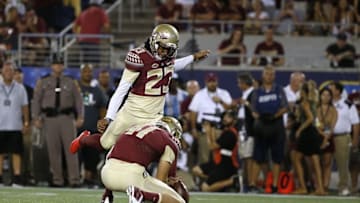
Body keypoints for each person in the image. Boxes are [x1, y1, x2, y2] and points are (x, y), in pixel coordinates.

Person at [70, 24, 210, 153]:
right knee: (105, 143)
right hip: (132, 112)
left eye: (168, 49)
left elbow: (173, 65)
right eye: (161, 47)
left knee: (160, 148)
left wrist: (193, 58)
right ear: (154, 41)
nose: (163, 52)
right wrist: (109, 117)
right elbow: (121, 90)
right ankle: (83, 139)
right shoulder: (139, 57)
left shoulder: (168, 57)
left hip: (154, 117)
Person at [100, 116, 186, 203]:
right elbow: (160, 180)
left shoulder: (135, 128)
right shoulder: (169, 140)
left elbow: (110, 156)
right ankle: (141, 195)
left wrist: (108, 192)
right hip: (131, 177)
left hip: (106, 175)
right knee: (179, 201)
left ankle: (106, 197)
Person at [32, 53, 84, 187]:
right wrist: (35, 117)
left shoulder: (71, 81)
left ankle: (74, 180)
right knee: (53, 150)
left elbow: (78, 100)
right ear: (51, 65)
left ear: (63, 65)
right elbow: (36, 100)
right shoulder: (43, 81)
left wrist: (80, 116)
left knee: (71, 150)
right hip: (49, 119)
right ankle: (57, 179)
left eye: (60, 64)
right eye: (55, 64)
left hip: (67, 118)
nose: (58, 66)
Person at [248, 66, 288, 193]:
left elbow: (285, 106)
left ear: (274, 76)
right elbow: (253, 109)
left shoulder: (279, 90)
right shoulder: (257, 92)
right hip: (261, 125)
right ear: (263, 75)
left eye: (271, 74)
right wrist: (259, 117)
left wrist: (275, 115)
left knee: (277, 157)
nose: (269, 76)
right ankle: (253, 184)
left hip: (276, 125)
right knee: (258, 156)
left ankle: (275, 185)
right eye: (267, 74)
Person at [189, 72, 232, 165]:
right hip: (205, 128)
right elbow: (193, 112)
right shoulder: (199, 94)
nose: (212, 83)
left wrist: (220, 101)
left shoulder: (224, 93)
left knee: (221, 155)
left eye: (214, 81)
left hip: (220, 129)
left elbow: (231, 109)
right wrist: (193, 128)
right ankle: (204, 178)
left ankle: (218, 177)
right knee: (205, 156)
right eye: (210, 81)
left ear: (217, 82)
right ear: (206, 82)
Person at [192, 110, 240, 192]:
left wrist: (208, 132)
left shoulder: (230, 134)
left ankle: (232, 181)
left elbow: (212, 146)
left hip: (227, 164)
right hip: (219, 161)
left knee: (205, 188)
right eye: (225, 116)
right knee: (196, 170)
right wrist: (212, 130)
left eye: (228, 117)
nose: (225, 118)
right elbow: (214, 143)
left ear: (234, 121)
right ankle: (217, 183)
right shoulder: (226, 132)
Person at [292, 81, 326, 195]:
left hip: (306, 133)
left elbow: (310, 118)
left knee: (297, 159)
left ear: (303, 92)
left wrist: (300, 129)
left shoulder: (304, 103)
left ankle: (303, 187)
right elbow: (315, 119)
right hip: (313, 133)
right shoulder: (313, 102)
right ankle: (320, 188)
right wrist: (320, 132)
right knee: (316, 162)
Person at [0, 61, 30, 186]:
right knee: (0, 153)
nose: (8, 73)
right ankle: (0, 178)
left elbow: (25, 107)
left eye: (11, 71)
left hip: (15, 125)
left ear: (14, 73)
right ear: (1, 72)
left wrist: (26, 122)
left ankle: (17, 177)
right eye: (6, 70)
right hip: (0, 125)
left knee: (16, 152)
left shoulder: (20, 87)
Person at [77, 63, 107, 188]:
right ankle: (74, 177)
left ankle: (88, 179)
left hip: (92, 129)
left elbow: (102, 109)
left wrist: (102, 124)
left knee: (91, 157)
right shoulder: (76, 89)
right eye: (85, 71)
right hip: (77, 129)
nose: (87, 74)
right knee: (75, 155)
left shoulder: (97, 91)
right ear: (81, 73)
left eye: (89, 72)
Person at [329, 81, 359, 196]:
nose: (328, 90)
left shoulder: (348, 104)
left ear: (337, 91)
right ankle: (323, 185)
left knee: (343, 164)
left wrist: (355, 140)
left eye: (331, 88)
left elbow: (356, 123)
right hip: (326, 137)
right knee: (325, 162)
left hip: (342, 137)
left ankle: (343, 187)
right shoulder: (326, 102)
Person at [316, 87, 337, 192]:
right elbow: (316, 125)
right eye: (323, 95)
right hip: (317, 137)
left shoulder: (333, 110)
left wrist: (326, 138)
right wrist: (323, 136)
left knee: (327, 162)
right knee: (317, 162)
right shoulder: (316, 109)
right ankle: (318, 185)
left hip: (329, 137)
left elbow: (332, 126)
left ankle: (325, 185)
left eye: (328, 95)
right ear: (320, 96)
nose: (326, 97)